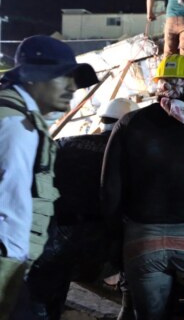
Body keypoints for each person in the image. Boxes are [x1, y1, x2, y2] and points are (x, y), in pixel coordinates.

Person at [101, 54, 184, 320]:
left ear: (158, 84)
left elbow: (109, 192)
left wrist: (121, 236)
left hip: (143, 240)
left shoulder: (128, 123)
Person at [0, 35, 98, 319]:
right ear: (33, 78)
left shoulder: (20, 117)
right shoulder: (16, 126)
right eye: (62, 77)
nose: (72, 87)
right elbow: (9, 207)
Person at [24, 98, 138, 320]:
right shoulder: (135, 158)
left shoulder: (64, 143)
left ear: (102, 120)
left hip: (53, 239)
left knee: (43, 296)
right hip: (104, 251)